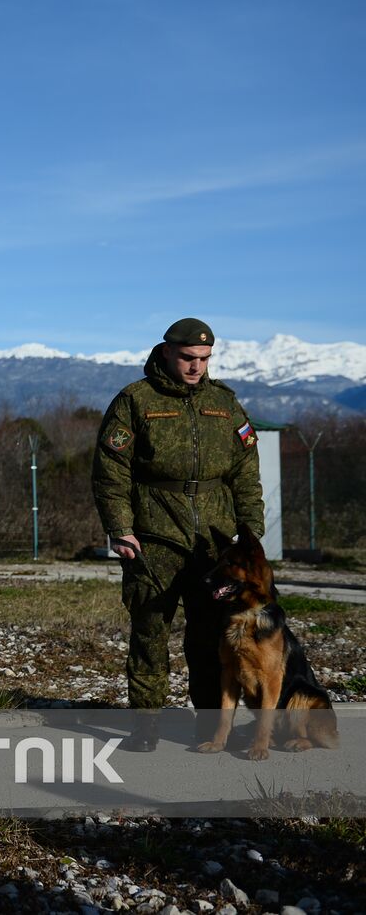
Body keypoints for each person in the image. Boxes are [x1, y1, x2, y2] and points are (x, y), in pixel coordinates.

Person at [92, 317, 264, 751]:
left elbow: (246, 472)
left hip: (215, 544)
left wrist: (251, 536)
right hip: (153, 539)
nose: (196, 367)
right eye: (188, 357)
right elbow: (111, 471)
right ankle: (146, 727)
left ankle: (209, 726)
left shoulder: (225, 404)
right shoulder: (136, 400)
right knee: (149, 633)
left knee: (209, 637)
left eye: (204, 359)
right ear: (166, 351)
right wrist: (121, 528)